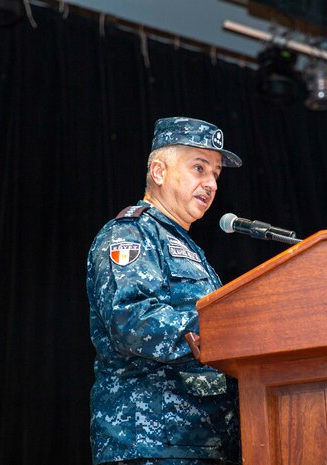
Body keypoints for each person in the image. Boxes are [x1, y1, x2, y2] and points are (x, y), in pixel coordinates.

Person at [86, 117, 243, 465]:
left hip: (204, 446)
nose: (211, 184)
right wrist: (229, 330)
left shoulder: (188, 248)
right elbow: (132, 322)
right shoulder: (130, 235)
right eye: (199, 168)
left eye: (216, 174)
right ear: (159, 172)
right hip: (151, 444)